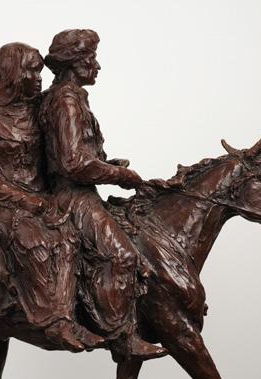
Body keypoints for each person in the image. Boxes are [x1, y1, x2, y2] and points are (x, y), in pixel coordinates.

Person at [0, 42, 103, 352]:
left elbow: (61, 148)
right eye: (32, 71)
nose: (40, 78)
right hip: (2, 205)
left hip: (43, 198)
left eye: (40, 71)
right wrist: (29, 201)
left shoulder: (37, 108)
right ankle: (57, 322)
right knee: (51, 240)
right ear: (12, 75)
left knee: (80, 231)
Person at [39, 29, 167, 360]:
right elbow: (73, 162)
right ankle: (122, 338)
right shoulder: (67, 100)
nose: (97, 66)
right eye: (91, 59)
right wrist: (119, 175)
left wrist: (108, 165)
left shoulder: (70, 98)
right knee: (123, 256)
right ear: (73, 63)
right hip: (73, 197)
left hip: (82, 192)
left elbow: (79, 154)